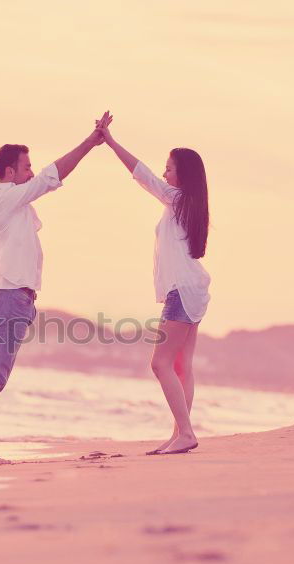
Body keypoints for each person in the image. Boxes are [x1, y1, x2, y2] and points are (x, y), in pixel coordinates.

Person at [0, 113, 110, 465]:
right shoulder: (4, 199)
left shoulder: (17, 205)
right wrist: (90, 143)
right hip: (8, 297)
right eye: (26, 167)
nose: (31, 172)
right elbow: (50, 177)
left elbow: (44, 179)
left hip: (17, 299)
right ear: (10, 172)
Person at [96, 113, 211, 455]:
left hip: (183, 292)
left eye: (170, 169)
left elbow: (142, 174)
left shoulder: (177, 201)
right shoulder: (188, 206)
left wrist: (112, 143)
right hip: (193, 290)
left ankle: (186, 433)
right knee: (180, 366)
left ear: (182, 175)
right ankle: (180, 434)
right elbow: (150, 176)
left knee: (160, 364)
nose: (164, 173)